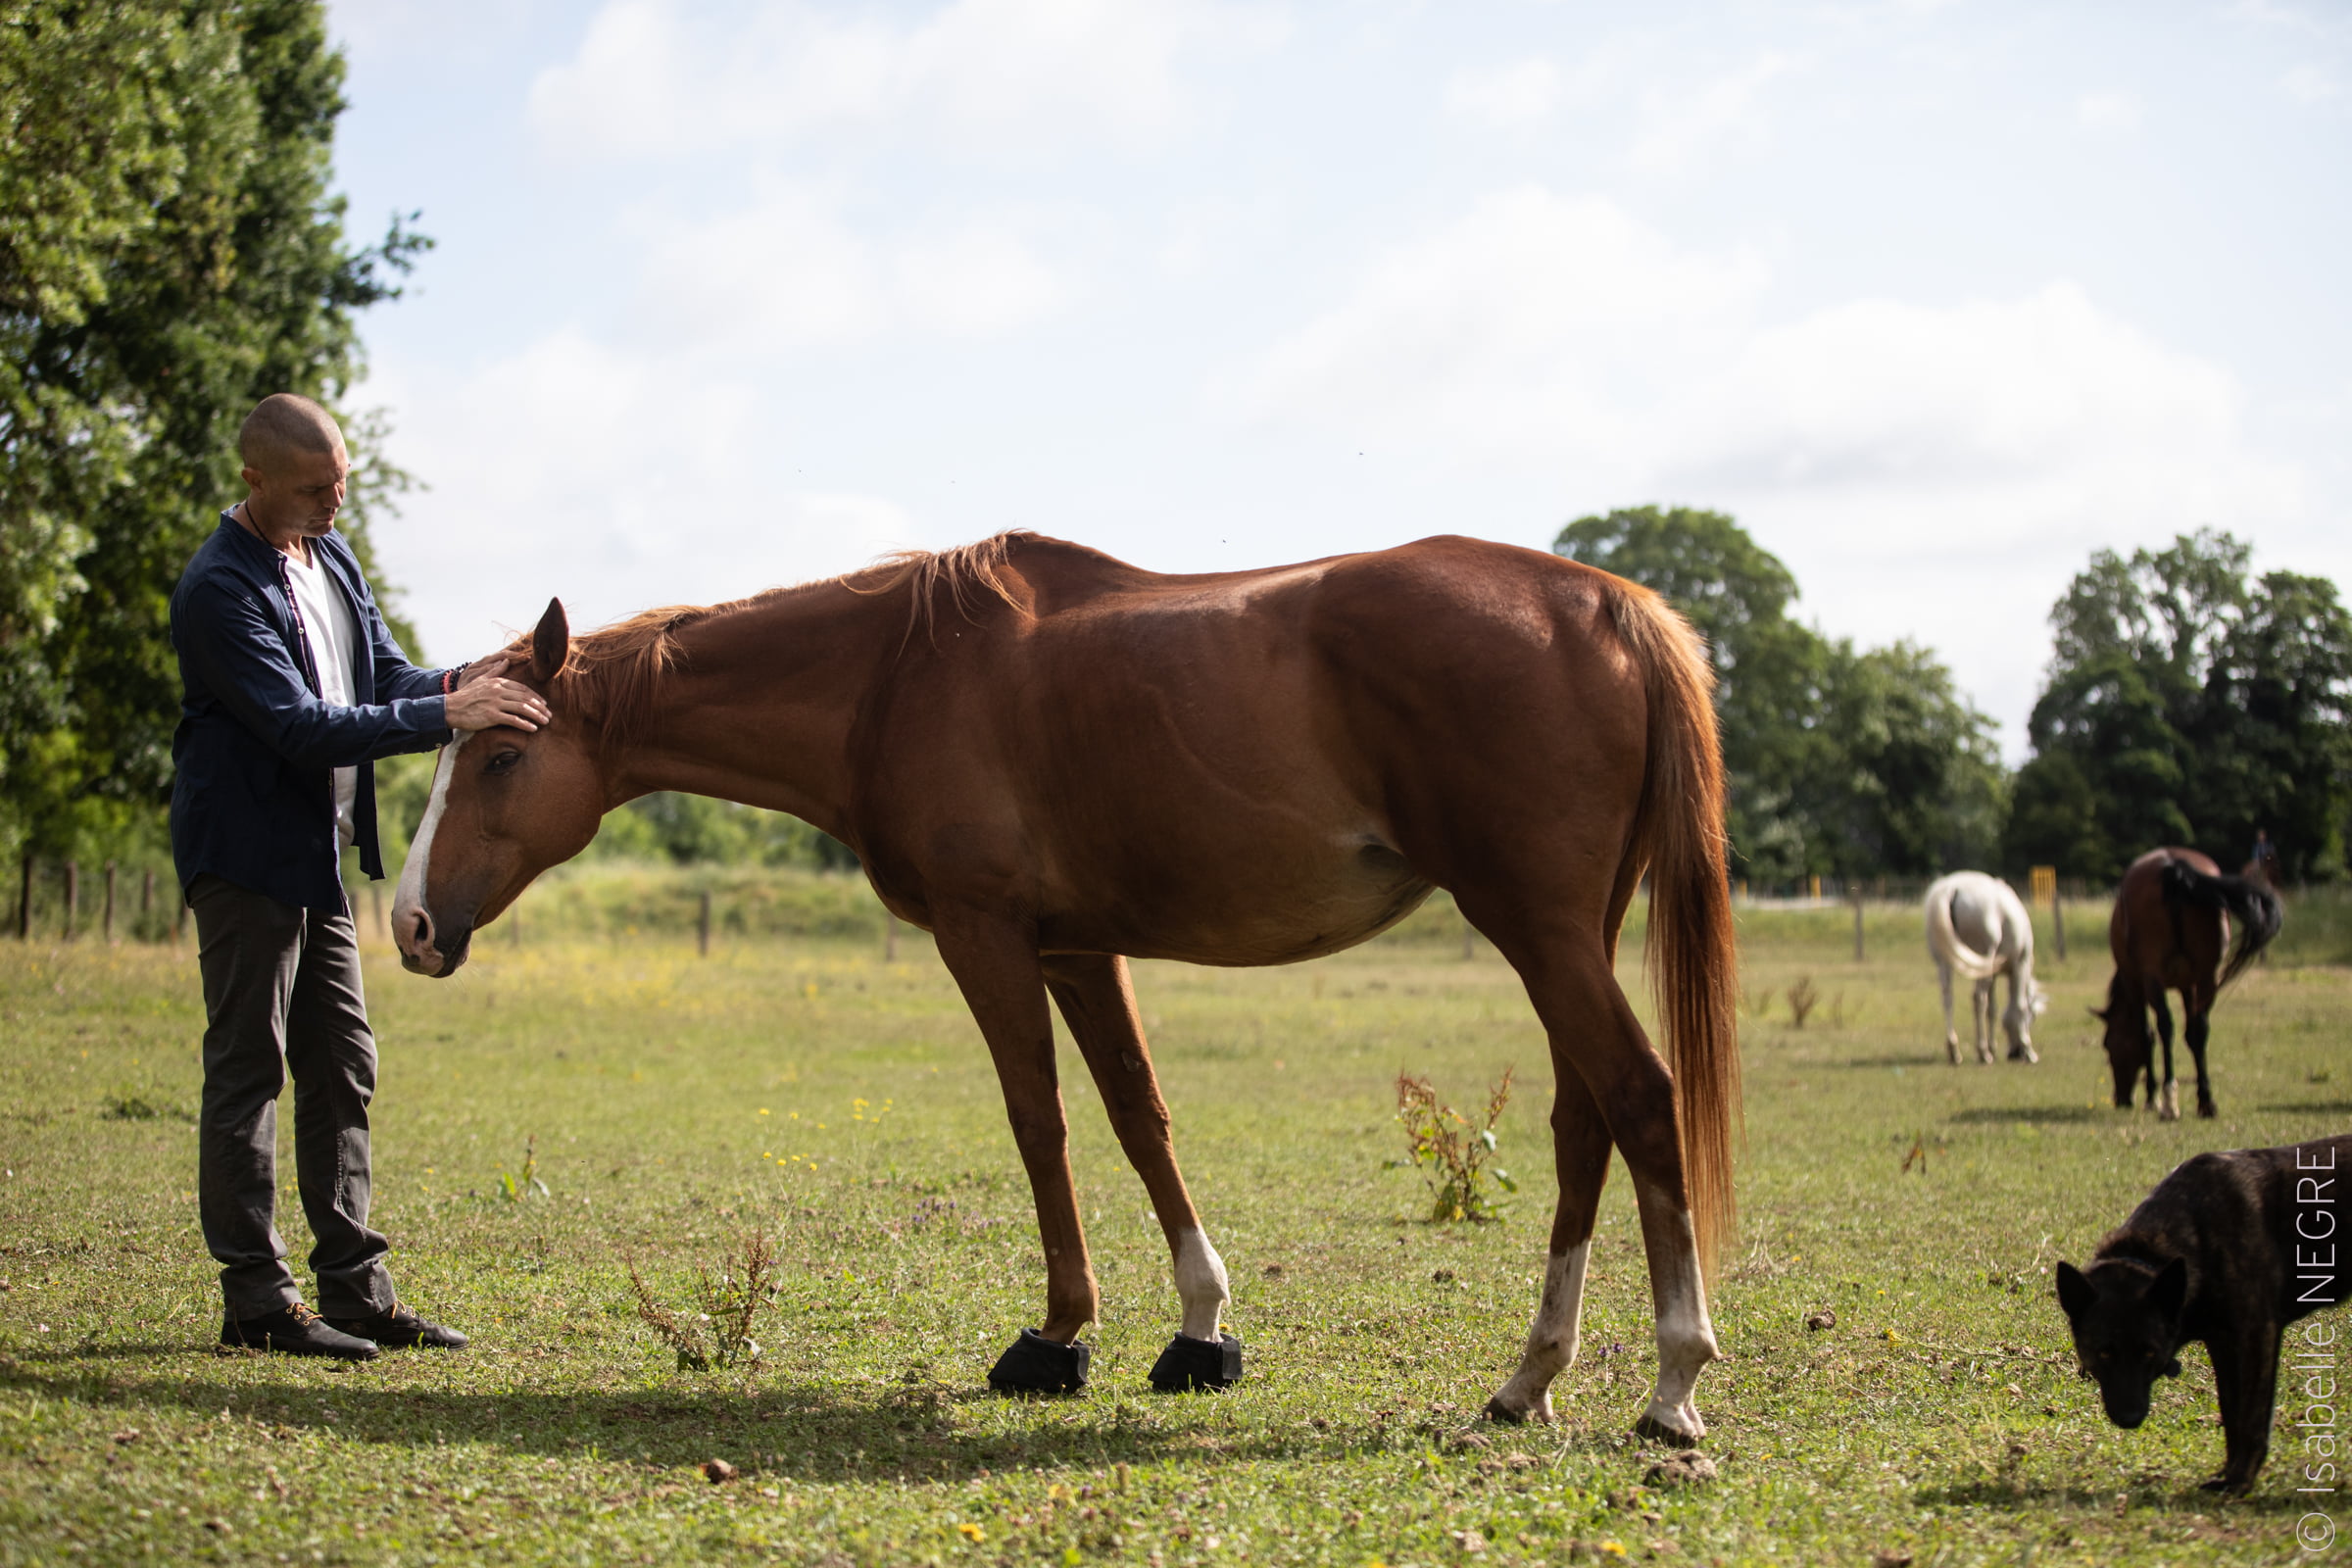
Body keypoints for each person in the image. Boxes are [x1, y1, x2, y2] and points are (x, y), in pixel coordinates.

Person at [169, 394, 551, 1359]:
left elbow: (380, 676)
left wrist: (473, 678)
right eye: (314, 488)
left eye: (342, 481)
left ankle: (355, 1291)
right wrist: (449, 718)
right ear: (255, 482)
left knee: (342, 1063)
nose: (336, 501)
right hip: (247, 858)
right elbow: (300, 724)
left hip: (316, 859)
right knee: (250, 1068)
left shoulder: (327, 552)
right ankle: (257, 1301)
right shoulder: (220, 588)